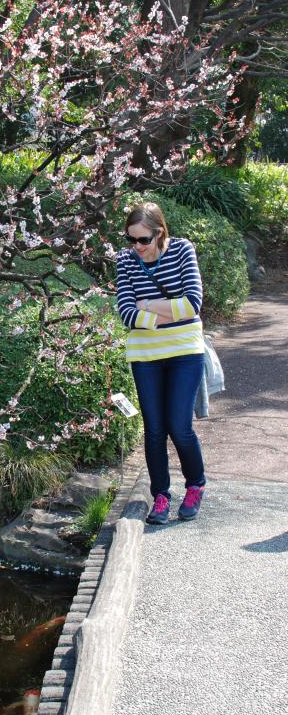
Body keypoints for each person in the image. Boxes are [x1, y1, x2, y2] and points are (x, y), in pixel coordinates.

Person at [116, 201, 206, 524]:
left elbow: (193, 304)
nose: (136, 247)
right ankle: (161, 495)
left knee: (179, 427)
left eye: (143, 239)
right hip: (146, 356)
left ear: (159, 233)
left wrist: (149, 305)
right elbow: (127, 313)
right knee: (154, 430)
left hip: (185, 352)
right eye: (131, 239)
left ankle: (195, 484)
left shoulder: (182, 250)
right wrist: (168, 312)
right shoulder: (125, 262)